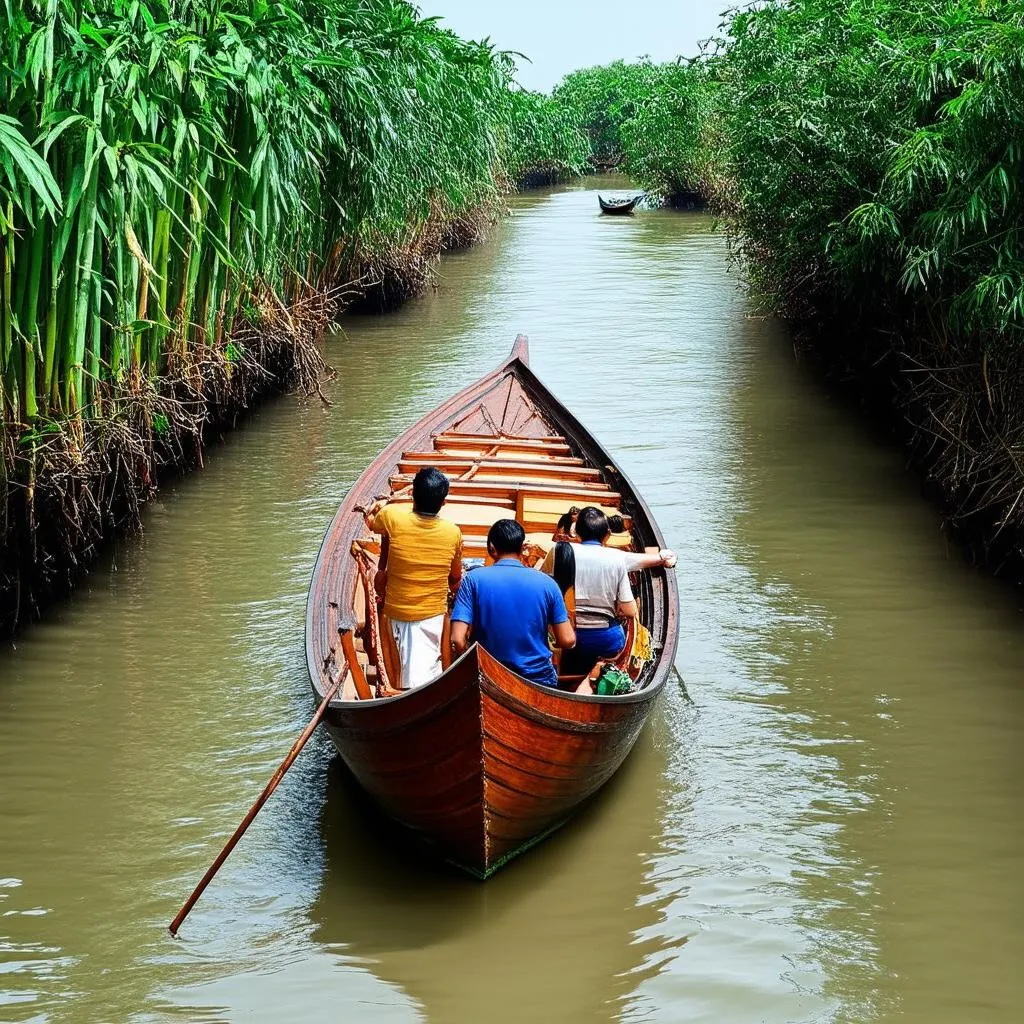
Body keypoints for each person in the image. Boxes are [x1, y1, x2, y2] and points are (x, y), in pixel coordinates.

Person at [544, 505, 676, 677]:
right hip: (607, 641)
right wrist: (664, 557)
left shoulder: (558, 551)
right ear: (606, 534)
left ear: (576, 533)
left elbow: (542, 587)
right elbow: (630, 610)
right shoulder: (617, 558)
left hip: (565, 637)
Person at [450, 519, 575, 687]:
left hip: (488, 677)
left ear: (492, 547)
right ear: (523, 548)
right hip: (538, 680)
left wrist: (471, 663)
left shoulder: (473, 580)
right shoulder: (548, 584)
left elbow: (457, 639)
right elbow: (567, 640)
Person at [368, 467, 462, 689]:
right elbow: (455, 577)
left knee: (404, 676)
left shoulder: (391, 516)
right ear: (443, 503)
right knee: (428, 675)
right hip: (434, 617)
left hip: (395, 615)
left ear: (412, 495)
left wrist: (378, 507)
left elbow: (373, 523)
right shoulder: (453, 532)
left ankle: (397, 688)